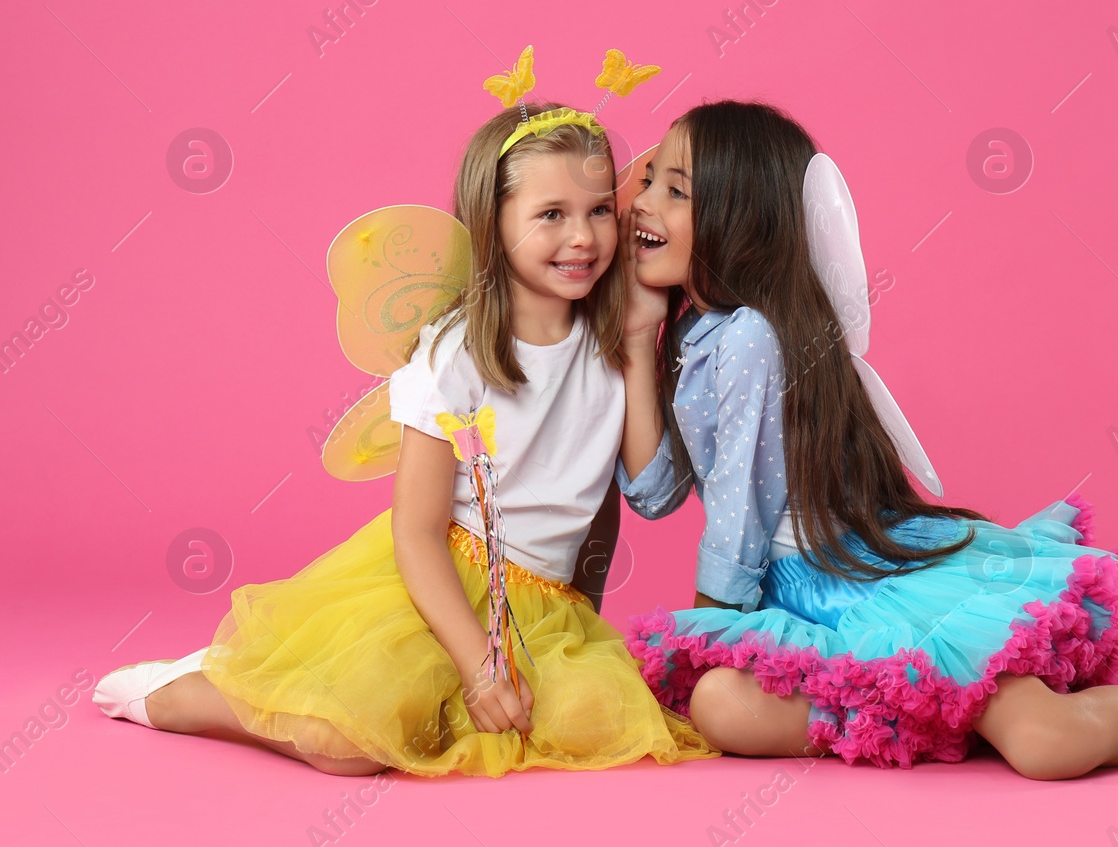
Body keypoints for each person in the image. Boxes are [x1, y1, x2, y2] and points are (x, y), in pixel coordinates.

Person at [612, 99, 1118, 777]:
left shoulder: (751, 336)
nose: (642, 201)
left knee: (1044, 743)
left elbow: (739, 520)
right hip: (801, 599)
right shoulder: (700, 336)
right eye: (647, 180)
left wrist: (706, 630)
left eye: (674, 190)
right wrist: (641, 337)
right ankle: (934, 708)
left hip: (848, 584)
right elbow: (653, 492)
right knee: (722, 703)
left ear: (738, 218)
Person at [94, 91, 717, 777]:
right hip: (442, 585)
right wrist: (480, 664)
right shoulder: (458, 352)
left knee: (585, 725)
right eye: (551, 215)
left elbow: (640, 480)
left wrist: (635, 336)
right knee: (358, 746)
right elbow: (417, 530)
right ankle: (194, 691)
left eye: (600, 209)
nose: (584, 238)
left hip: (545, 607)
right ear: (492, 222)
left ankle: (291, 685)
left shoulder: (612, 337)